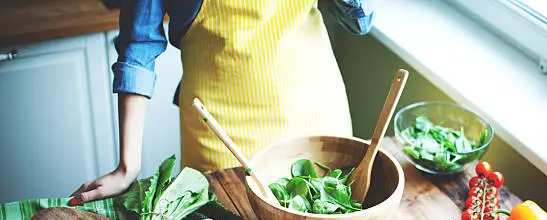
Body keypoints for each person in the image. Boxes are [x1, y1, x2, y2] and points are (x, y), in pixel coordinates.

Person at [70, 0, 374, 205]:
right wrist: (128, 166)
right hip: (221, 134)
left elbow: (360, 23)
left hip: (317, 113)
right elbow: (138, 50)